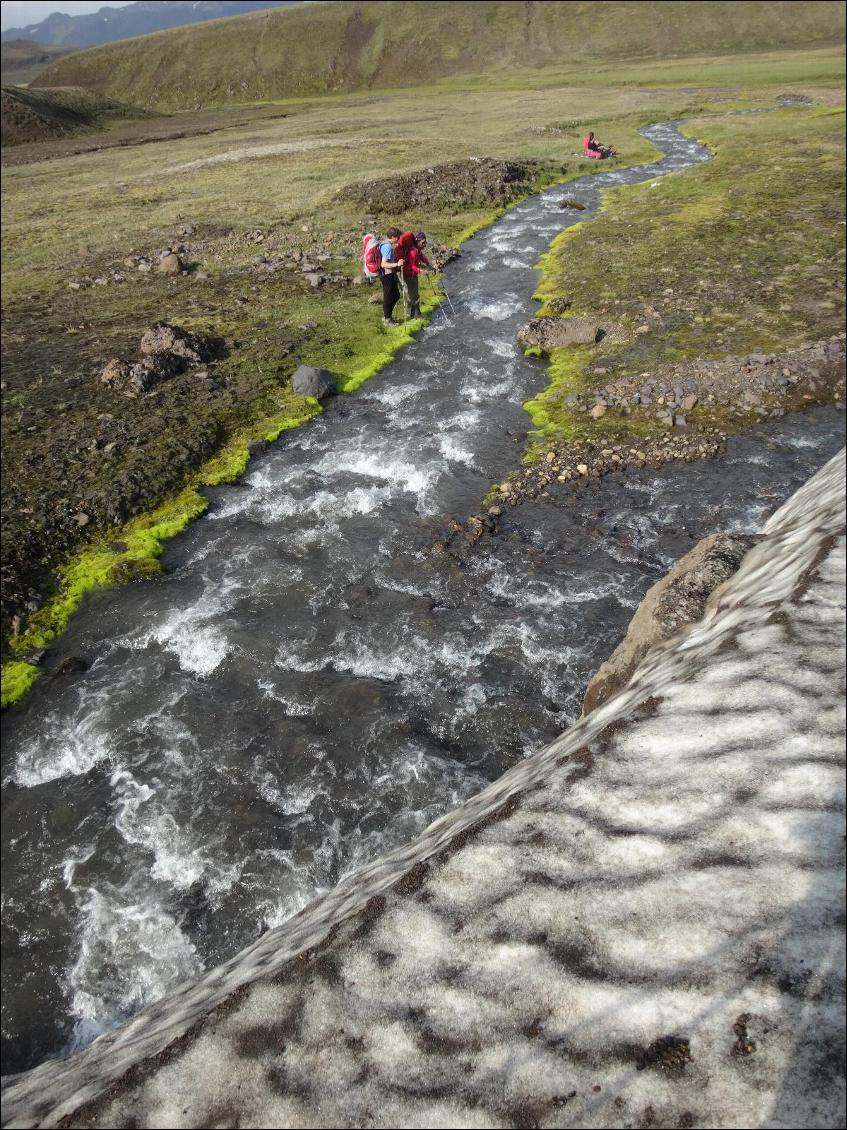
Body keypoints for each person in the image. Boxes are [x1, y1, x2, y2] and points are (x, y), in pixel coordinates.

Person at [402, 232, 433, 319]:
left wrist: (428, 263)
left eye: (425, 242)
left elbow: (422, 256)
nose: (425, 244)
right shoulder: (413, 251)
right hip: (409, 275)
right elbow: (412, 267)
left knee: (412, 293)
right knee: (414, 295)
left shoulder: (417, 249)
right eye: (423, 242)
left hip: (412, 274)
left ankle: (411, 313)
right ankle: (417, 315)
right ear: (417, 241)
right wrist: (421, 271)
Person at [379, 227, 404, 326]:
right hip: (387, 275)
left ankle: (387, 316)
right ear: (393, 237)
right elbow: (383, 264)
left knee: (396, 295)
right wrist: (397, 264)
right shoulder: (388, 247)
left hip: (389, 274)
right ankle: (387, 320)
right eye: (398, 237)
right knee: (389, 297)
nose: (399, 239)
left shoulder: (385, 244)